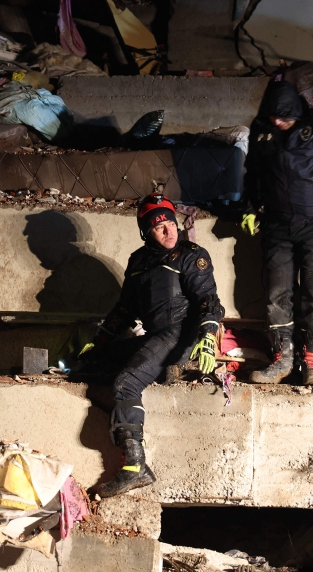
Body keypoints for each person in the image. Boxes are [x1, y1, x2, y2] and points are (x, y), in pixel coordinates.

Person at [80, 193, 225, 497]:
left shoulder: (191, 254)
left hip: (181, 335)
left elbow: (207, 300)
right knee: (97, 362)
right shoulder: (138, 261)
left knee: (126, 382)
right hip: (156, 336)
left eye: (171, 223)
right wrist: (99, 341)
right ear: (146, 232)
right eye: (159, 227)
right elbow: (125, 310)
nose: (168, 231)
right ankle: (161, 371)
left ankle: (135, 467)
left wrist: (208, 338)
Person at [241, 79, 313, 386]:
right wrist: (251, 207)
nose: (279, 122)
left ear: (297, 111)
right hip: (277, 225)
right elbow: (253, 171)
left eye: (285, 117)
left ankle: (311, 362)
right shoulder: (262, 130)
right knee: (276, 296)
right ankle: (282, 360)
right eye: (274, 116)